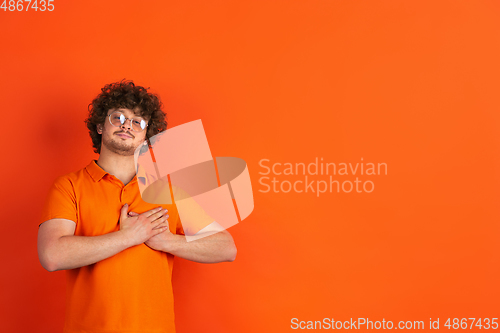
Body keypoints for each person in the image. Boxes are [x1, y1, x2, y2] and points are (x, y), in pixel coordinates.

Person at [37, 79, 237, 333]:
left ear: (146, 135)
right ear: (100, 125)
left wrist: (167, 242)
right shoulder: (68, 186)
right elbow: (52, 255)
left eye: (137, 121)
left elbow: (226, 247)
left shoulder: (169, 190)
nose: (127, 126)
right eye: (118, 117)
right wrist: (129, 237)